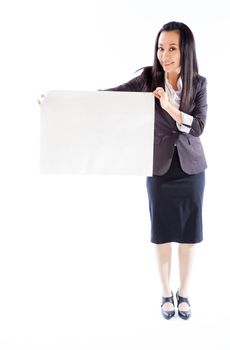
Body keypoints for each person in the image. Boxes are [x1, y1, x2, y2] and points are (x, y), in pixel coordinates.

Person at [38, 21, 207, 320]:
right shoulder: (148, 77)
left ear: (185, 51)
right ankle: (166, 293)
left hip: (192, 169)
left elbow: (199, 127)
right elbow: (110, 99)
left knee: (189, 234)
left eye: (171, 48)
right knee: (162, 232)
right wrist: (58, 104)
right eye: (160, 47)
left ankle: (186, 293)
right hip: (157, 168)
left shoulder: (199, 83)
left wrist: (170, 107)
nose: (164, 54)